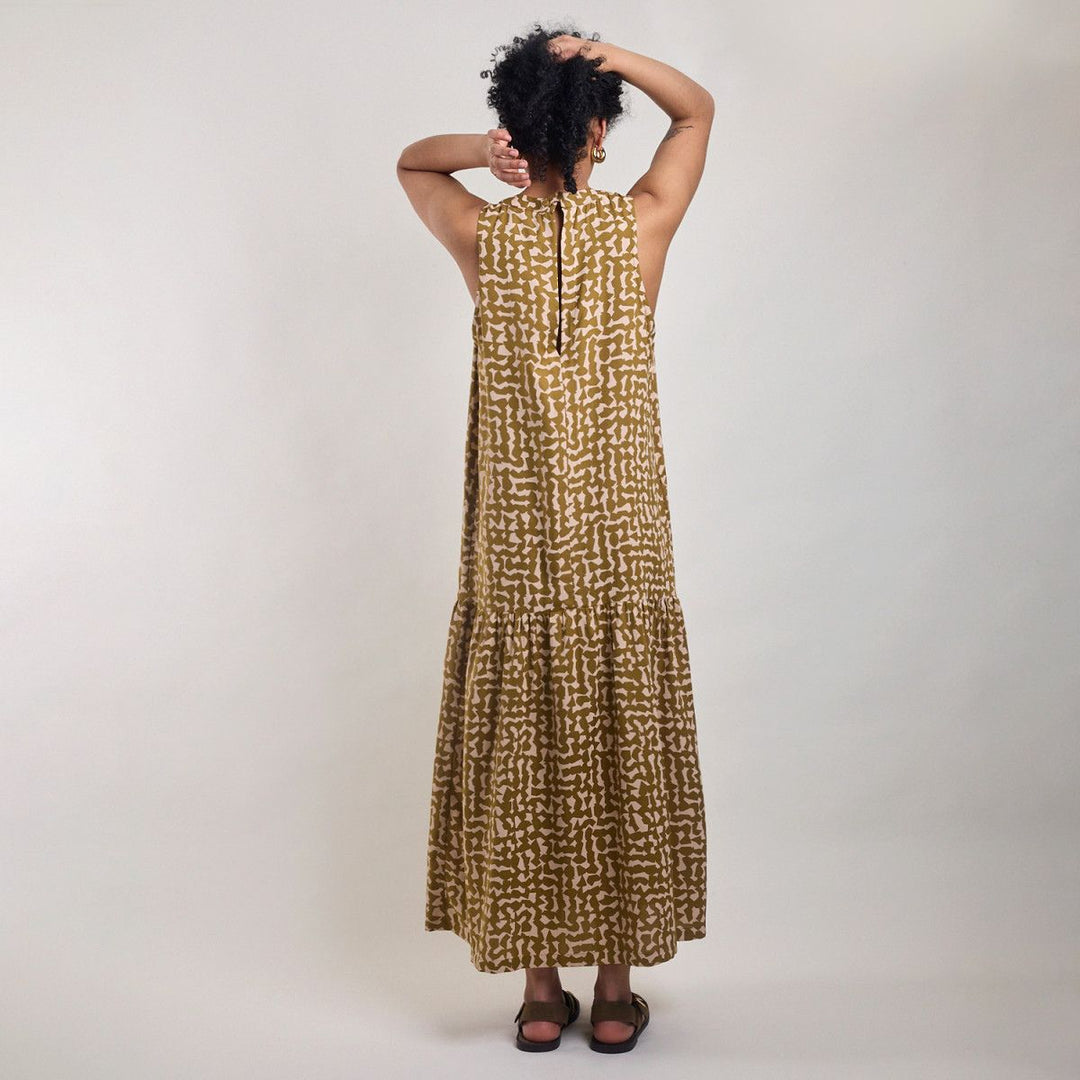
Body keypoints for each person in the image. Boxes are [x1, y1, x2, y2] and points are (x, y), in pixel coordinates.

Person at [396, 26, 713, 1054]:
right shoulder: (642, 226)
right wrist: (612, 56)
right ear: (598, 133)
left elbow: (413, 164)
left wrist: (480, 151)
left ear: (518, 136)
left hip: (519, 544)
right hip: (620, 539)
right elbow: (697, 110)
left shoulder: (485, 238)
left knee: (527, 735)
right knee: (616, 730)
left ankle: (541, 996)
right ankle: (614, 996)